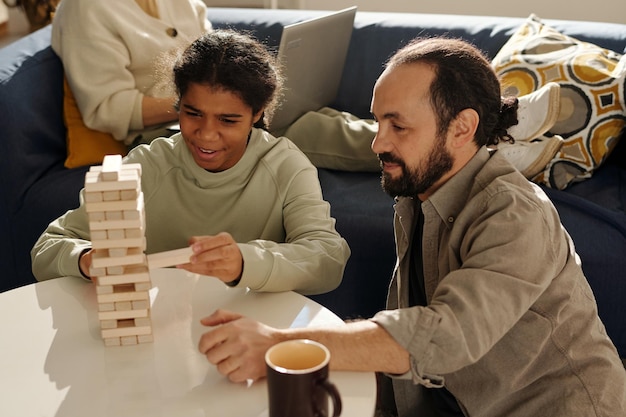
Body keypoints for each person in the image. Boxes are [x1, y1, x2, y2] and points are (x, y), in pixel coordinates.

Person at [195, 37, 626, 416]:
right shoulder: (419, 192)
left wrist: (276, 343)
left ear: (462, 128)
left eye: (398, 125)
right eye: (378, 121)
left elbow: (445, 335)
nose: (377, 142)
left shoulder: (514, 215)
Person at [31, 29, 350, 295]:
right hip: (159, 329)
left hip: (250, 330)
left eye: (227, 120)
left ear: (256, 114)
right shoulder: (147, 165)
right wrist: (86, 258)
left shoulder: (285, 166)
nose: (207, 135)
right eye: (192, 113)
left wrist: (244, 261)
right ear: (178, 105)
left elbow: (328, 259)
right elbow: (48, 247)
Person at [51, 0, 212, 146]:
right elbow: (109, 108)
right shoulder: (85, 7)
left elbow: (213, 51)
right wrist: (197, 105)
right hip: (160, 137)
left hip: (209, 120)